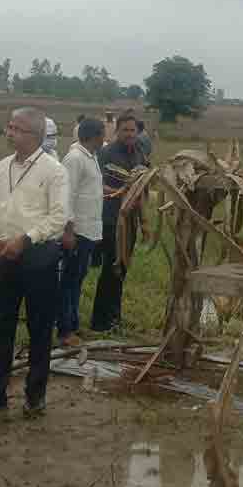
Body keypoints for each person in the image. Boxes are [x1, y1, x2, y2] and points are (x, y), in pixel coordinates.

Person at [0, 107, 68, 417]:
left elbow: (58, 218)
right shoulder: (2, 167)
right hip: (3, 257)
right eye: (9, 127)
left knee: (39, 329)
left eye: (17, 128)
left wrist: (25, 239)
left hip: (39, 258)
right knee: (1, 327)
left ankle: (34, 397)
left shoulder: (54, 171)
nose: (9, 132)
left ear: (35, 135)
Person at [91, 113, 147, 333]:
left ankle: (114, 316)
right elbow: (96, 183)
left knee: (122, 269)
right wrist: (119, 193)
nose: (130, 134)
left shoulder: (140, 154)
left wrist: (144, 222)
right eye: (125, 130)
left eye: (133, 130)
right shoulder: (106, 153)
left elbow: (143, 189)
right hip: (111, 220)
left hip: (130, 221)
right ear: (117, 131)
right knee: (111, 269)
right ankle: (100, 321)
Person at [57, 118, 105, 347]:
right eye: (103, 134)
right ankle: (65, 331)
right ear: (95, 136)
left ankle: (73, 325)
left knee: (77, 279)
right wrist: (68, 231)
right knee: (70, 281)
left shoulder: (91, 157)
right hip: (77, 231)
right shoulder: (75, 158)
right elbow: (66, 197)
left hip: (89, 230)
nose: (105, 138)